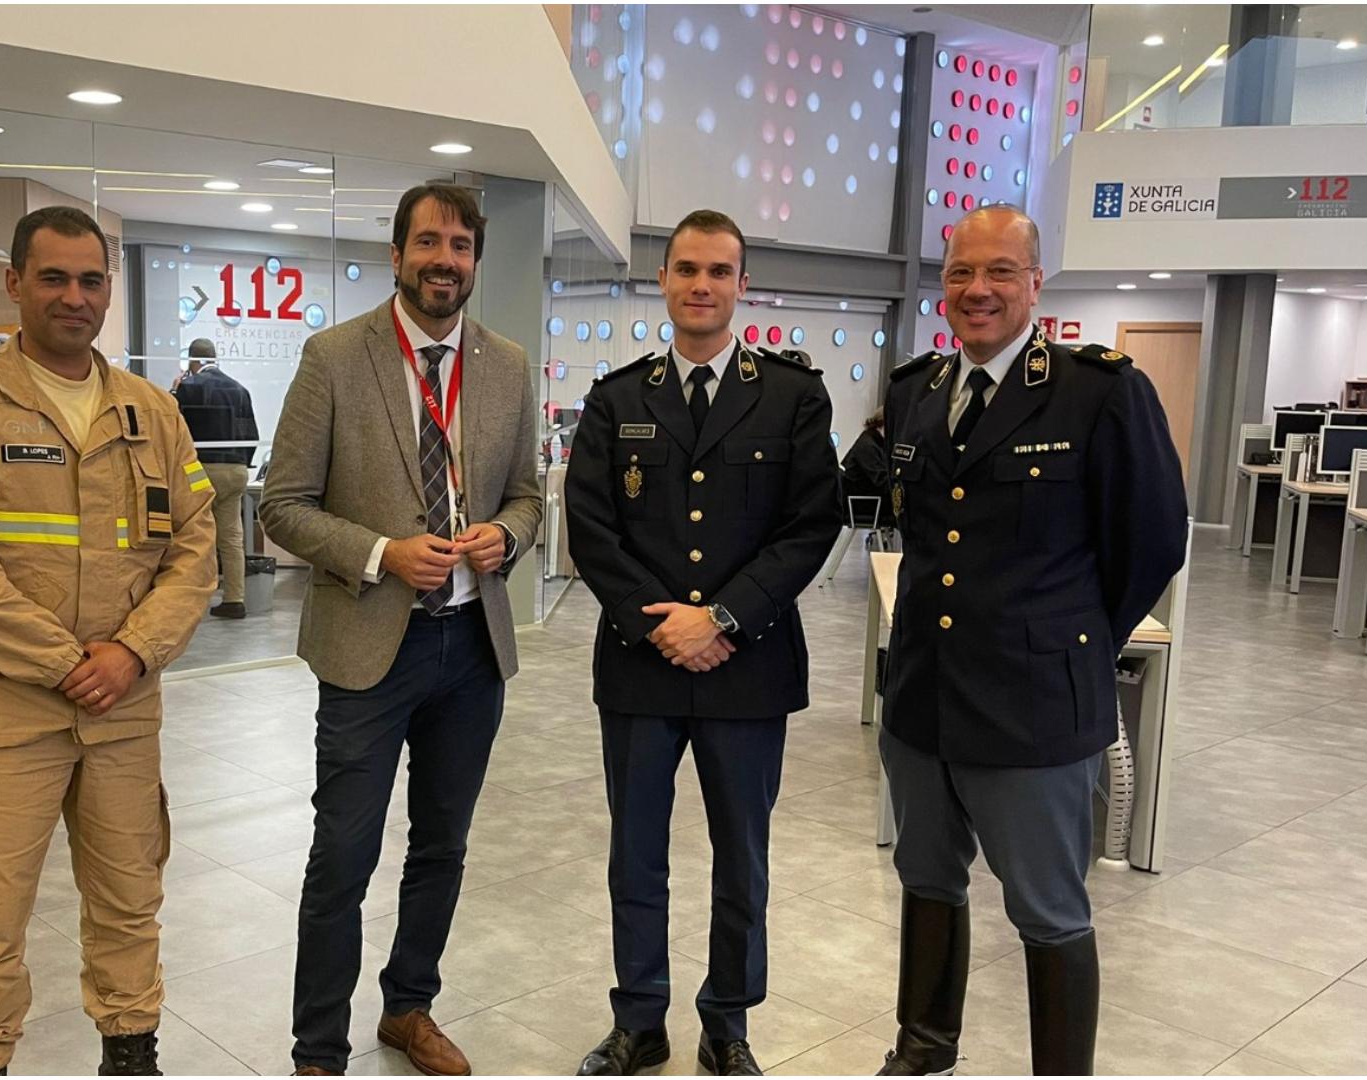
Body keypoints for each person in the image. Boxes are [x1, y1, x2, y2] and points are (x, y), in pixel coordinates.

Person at [0, 205, 217, 1077]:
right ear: (14, 284)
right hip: (10, 714)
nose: (74, 297)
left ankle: (130, 1053)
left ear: (108, 289)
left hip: (124, 709)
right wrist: (69, 662)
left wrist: (132, 653)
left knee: (129, 902)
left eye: (91, 279)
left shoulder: (151, 411)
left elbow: (197, 549)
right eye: (54, 277)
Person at [873, 205, 1187, 1077]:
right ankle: (923, 1048)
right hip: (924, 698)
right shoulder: (915, 390)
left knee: (1049, 910)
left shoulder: (1101, 390)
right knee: (927, 878)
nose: (978, 291)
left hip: (1036, 708)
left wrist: (1069, 644)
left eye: (1000, 272)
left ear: (1034, 283)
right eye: (962, 273)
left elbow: (1153, 541)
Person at [260, 182, 543, 1077]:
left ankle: (409, 1008)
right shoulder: (335, 356)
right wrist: (383, 551)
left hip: (472, 649)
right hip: (368, 652)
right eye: (428, 242)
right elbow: (283, 505)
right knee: (342, 853)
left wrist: (508, 534)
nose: (443, 260)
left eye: (460, 245)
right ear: (396, 255)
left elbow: (531, 494)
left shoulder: (506, 364)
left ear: (474, 262)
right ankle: (317, 1050)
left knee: (442, 845)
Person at [563, 209, 844, 1077]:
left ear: (741, 285)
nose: (701, 286)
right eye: (686, 269)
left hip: (746, 668)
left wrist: (720, 619)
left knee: (742, 862)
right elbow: (592, 528)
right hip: (642, 669)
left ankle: (729, 1022)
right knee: (635, 857)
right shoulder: (618, 399)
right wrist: (667, 626)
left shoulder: (794, 396)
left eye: (719, 271)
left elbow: (811, 525)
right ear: (664, 281)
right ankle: (638, 1021)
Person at [174, 338, 261, 619]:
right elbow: (252, 434)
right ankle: (235, 599)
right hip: (234, 470)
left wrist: (175, 391)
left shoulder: (188, 388)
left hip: (200, 470)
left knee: (195, 535)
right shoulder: (240, 389)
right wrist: (241, 465)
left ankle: (193, 600)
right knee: (232, 536)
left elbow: (174, 430)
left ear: (192, 361)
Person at [841, 408, 894, 531]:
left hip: (865, 501)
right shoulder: (868, 446)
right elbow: (881, 480)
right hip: (864, 504)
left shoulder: (871, 442)